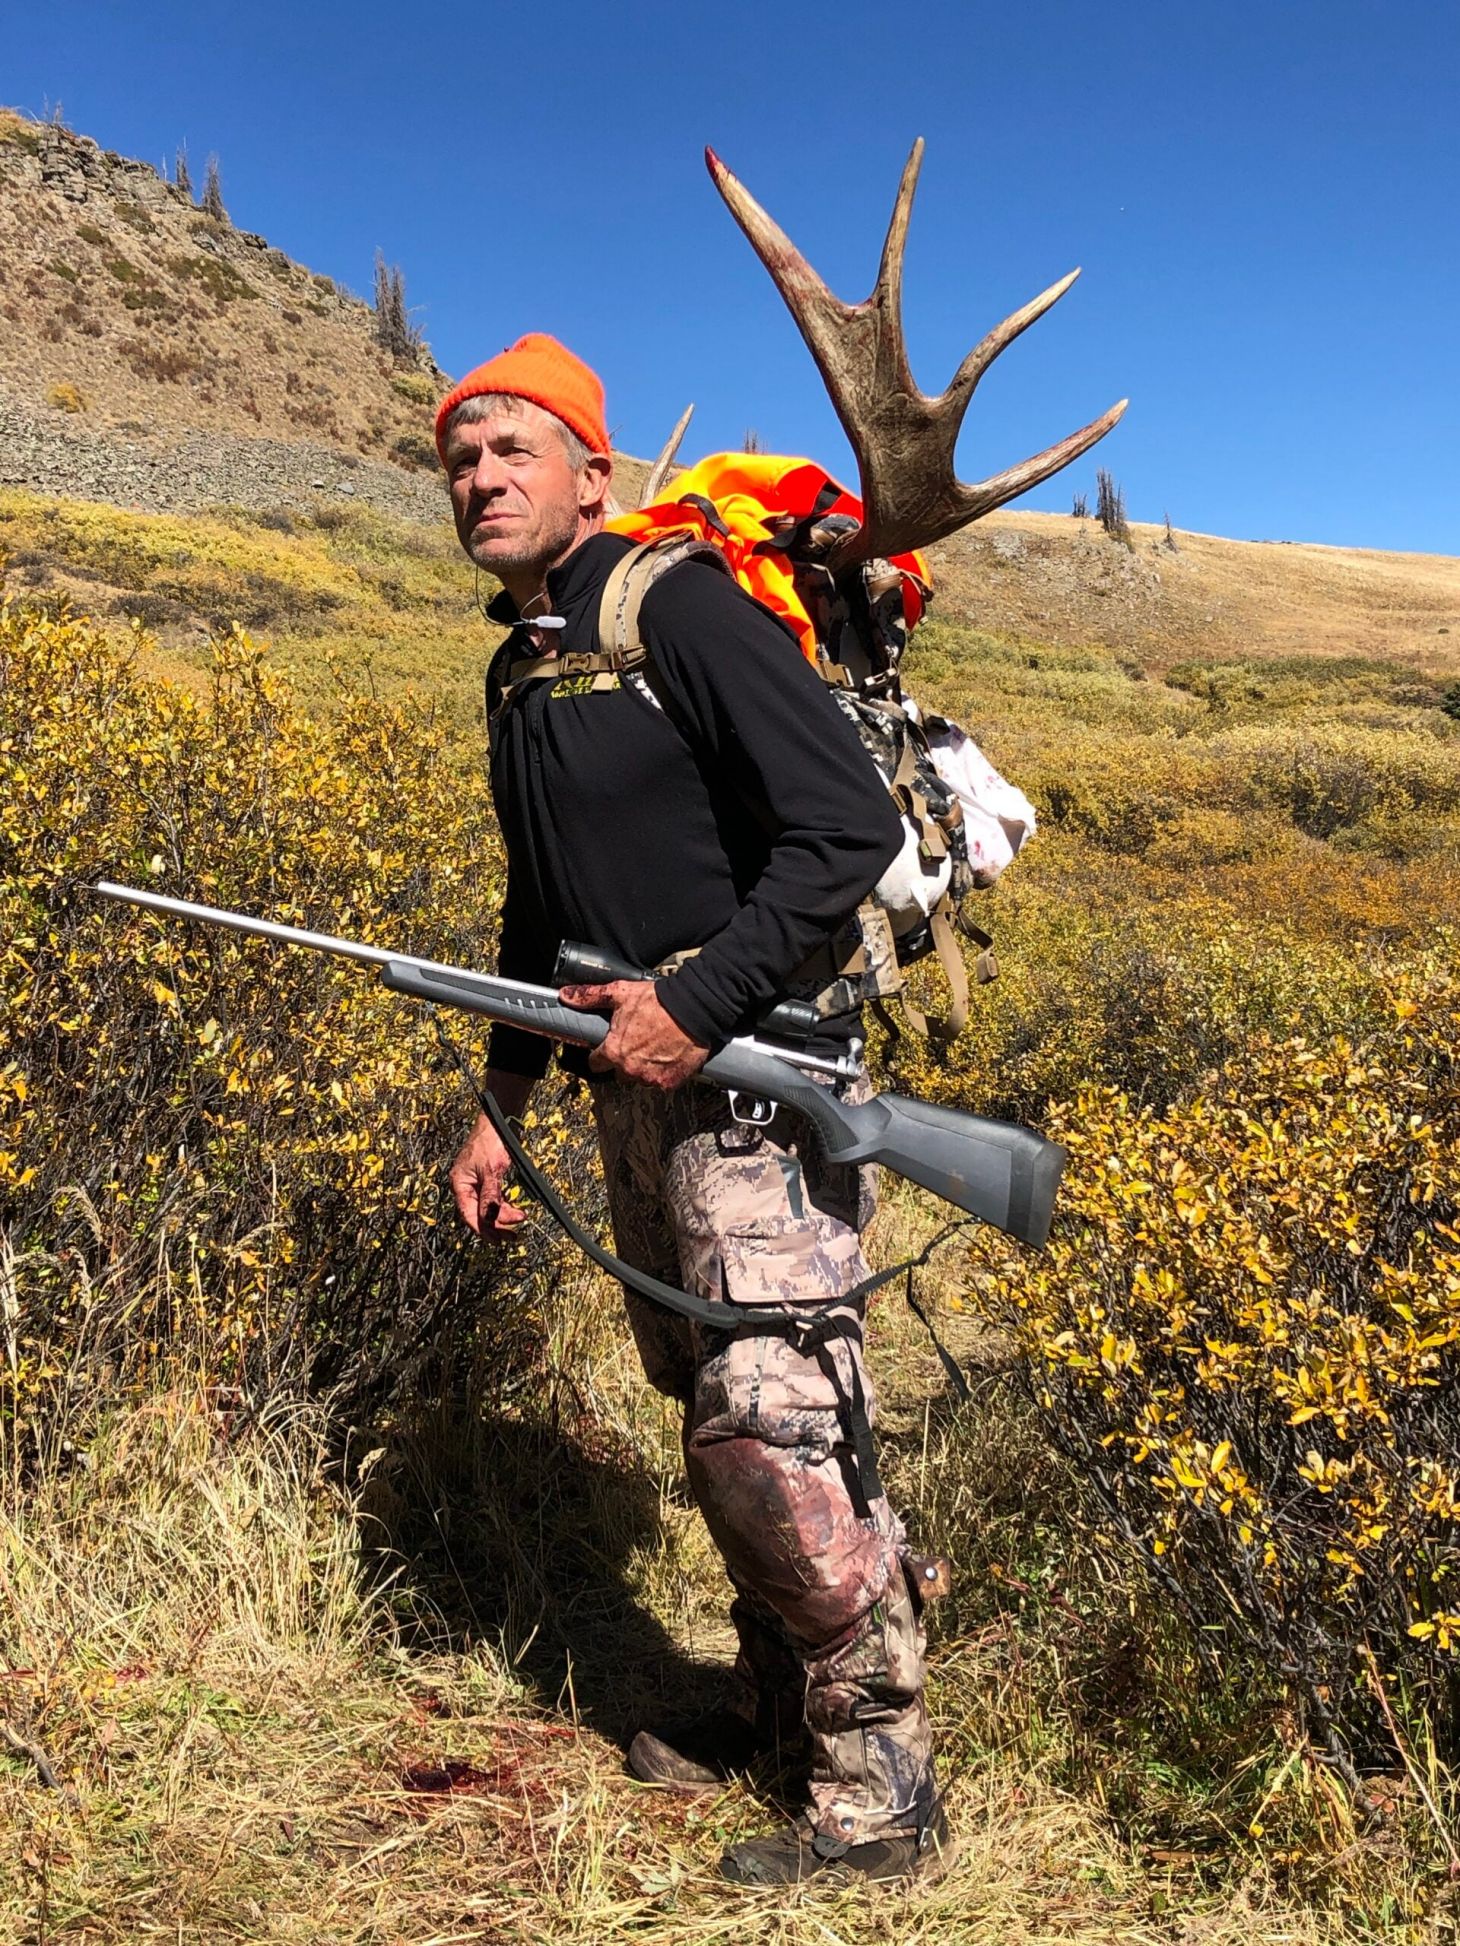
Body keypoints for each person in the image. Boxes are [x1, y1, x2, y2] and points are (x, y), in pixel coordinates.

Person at [438, 333, 945, 1885]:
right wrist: (497, 1108)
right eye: (459, 459)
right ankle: (781, 1721)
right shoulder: (521, 664)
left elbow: (846, 828)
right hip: (632, 1087)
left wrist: (693, 1004)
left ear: (592, 473)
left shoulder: (680, 606)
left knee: (771, 1424)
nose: (480, 479)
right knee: (714, 1399)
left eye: (513, 449)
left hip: (752, 1087)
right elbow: (542, 909)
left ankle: (883, 1793)